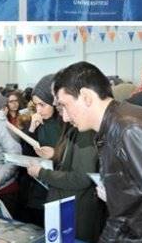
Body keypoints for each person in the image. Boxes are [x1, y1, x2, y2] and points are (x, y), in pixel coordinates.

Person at [53, 61, 142, 243]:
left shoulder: (128, 129)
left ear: (86, 97)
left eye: (65, 105)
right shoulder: (115, 125)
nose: (65, 117)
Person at [28, 102, 104, 241]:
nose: (64, 117)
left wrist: (42, 173)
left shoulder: (86, 134)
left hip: (76, 210)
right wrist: (54, 155)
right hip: (69, 206)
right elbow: (70, 162)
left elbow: (80, 178)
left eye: (62, 108)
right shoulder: (74, 130)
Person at [22, 74, 66, 225]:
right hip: (38, 188)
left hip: (60, 187)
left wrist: (55, 154)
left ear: (54, 102)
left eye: (43, 105)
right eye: (36, 105)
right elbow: (26, 155)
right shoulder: (37, 122)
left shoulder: (66, 123)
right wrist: (31, 130)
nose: (39, 110)